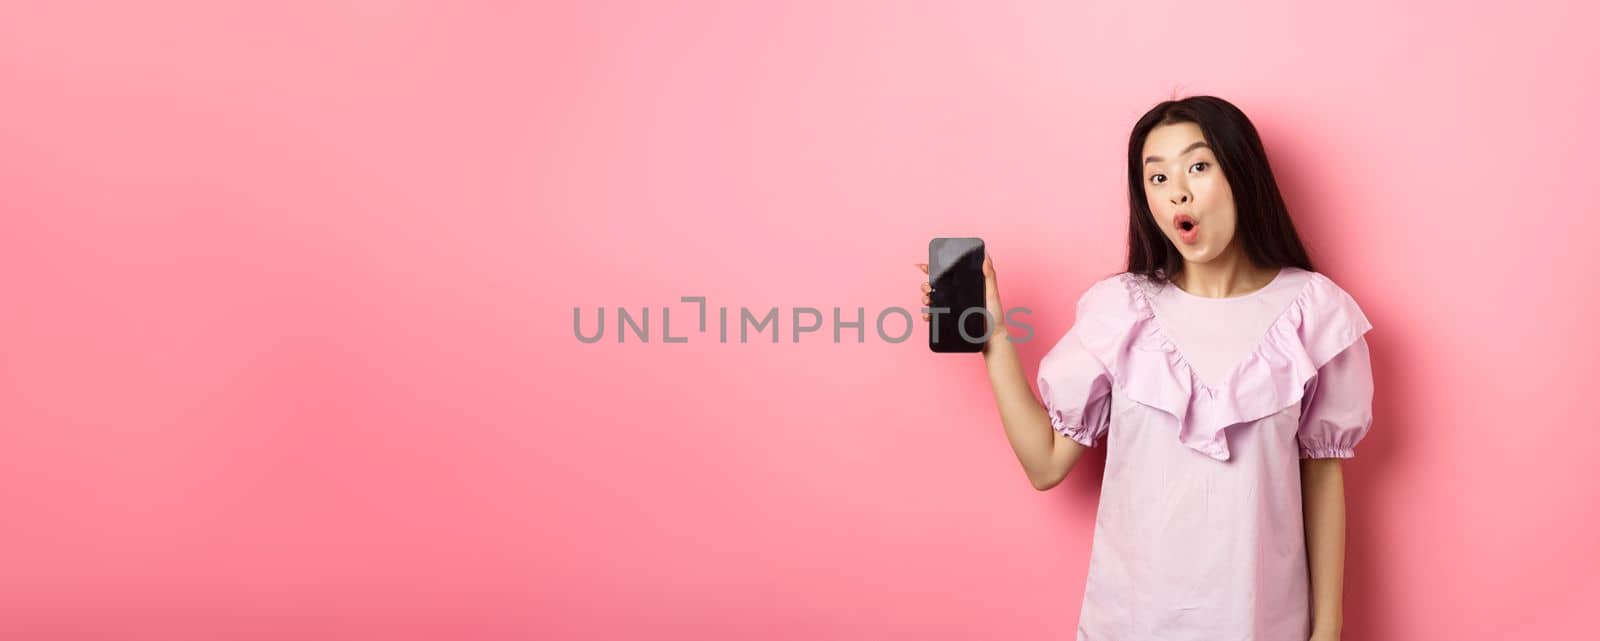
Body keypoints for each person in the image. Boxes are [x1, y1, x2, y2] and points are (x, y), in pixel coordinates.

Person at [915, 95, 1373, 641]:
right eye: (1156, 178)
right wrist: (992, 337)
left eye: (1198, 167)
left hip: (1261, 623)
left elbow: (1323, 479)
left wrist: (1328, 632)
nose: (1177, 190)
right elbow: (1046, 465)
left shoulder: (1315, 313)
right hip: (1134, 621)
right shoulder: (1119, 311)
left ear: (1243, 175)